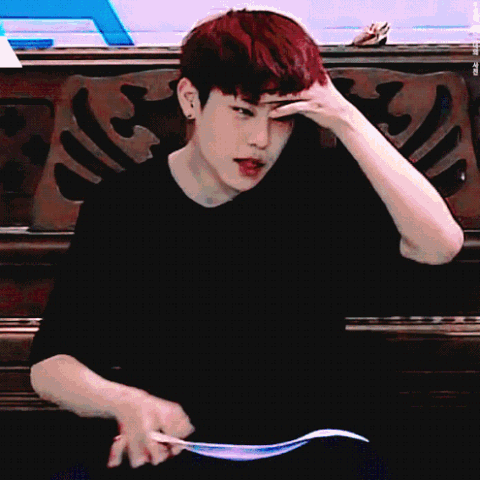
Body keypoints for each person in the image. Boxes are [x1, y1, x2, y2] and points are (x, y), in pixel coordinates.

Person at [28, 8, 464, 480]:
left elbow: (439, 245)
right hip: (175, 452)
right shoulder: (124, 204)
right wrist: (124, 401)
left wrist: (344, 117)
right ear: (191, 99)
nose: (261, 140)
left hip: (313, 450)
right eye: (243, 111)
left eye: (281, 118)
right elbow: (51, 363)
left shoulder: (319, 187)